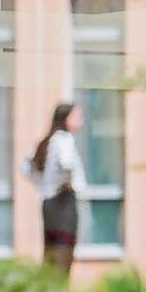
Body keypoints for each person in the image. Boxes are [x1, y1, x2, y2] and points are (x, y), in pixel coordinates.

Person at [29, 100, 85, 272]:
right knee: (64, 252)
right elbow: (67, 163)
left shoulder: (49, 140)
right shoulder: (65, 139)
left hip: (49, 202)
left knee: (50, 251)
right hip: (63, 202)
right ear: (66, 119)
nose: (81, 121)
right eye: (77, 116)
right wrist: (66, 181)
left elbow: (26, 165)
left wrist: (44, 185)